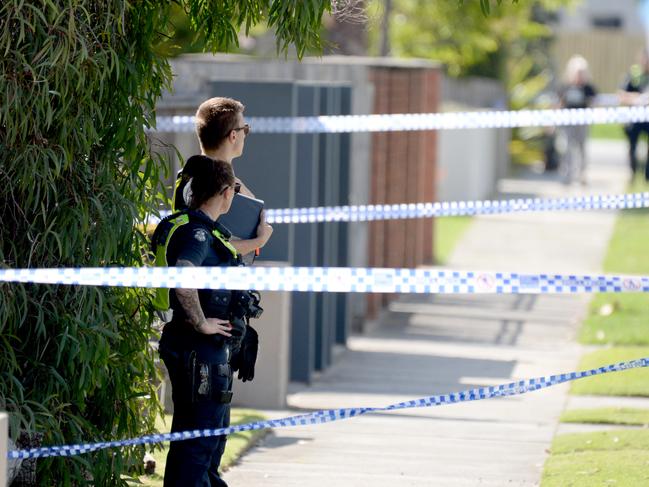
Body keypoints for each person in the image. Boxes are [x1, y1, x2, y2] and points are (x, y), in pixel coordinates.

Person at [154, 158, 272, 486]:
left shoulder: (195, 227)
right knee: (197, 450)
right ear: (224, 192)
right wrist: (203, 322)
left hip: (200, 350)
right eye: (233, 190)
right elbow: (183, 276)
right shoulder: (197, 234)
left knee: (202, 448)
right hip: (199, 353)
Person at [174, 97, 269, 258]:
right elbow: (202, 242)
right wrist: (259, 241)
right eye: (244, 129)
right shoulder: (202, 182)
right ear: (233, 135)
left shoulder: (192, 176)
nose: (245, 135)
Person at [558, 55, 597, 185]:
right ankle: (567, 174)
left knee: (582, 149)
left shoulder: (588, 88)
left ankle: (582, 175)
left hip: (582, 123)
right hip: (568, 123)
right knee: (567, 149)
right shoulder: (565, 87)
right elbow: (559, 104)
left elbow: (594, 103)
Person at [619, 51, 649, 181]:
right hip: (634, 118)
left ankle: (647, 176)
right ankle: (633, 173)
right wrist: (637, 98)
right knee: (632, 146)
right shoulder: (633, 75)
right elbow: (621, 95)